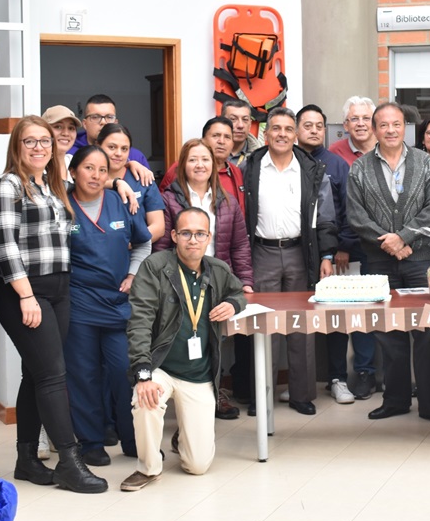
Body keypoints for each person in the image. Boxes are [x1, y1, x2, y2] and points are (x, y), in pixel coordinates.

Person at [0, 115, 107, 493]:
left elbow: (96, 179)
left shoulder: (53, 186)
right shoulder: (7, 187)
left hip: (60, 288)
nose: (39, 147)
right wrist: (26, 296)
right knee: (54, 374)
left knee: (37, 374)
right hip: (25, 291)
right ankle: (70, 461)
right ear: (17, 147)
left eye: (45, 141)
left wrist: (121, 179)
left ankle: (25, 459)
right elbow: (5, 247)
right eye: (30, 141)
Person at [120, 207, 247, 492]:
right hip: (161, 366)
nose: (193, 240)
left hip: (198, 373)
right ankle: (148, 468)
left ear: (208, 237)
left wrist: (234, 304)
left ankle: (183, 438)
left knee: (198, 466)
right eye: (186, 233)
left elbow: (238, 292)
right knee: (145, 400)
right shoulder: (155, 266)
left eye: (200, 234)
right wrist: (143, 374)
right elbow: (139, 321)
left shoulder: (218, 269)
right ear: (175, 236)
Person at [347, 103, 430, 424]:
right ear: (375, 129)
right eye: (384, 125)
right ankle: (394, 399)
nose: (391, 130)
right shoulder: (359, 168)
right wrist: (391, 243)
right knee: (387, 332)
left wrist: (403, 237)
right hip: (379, 262)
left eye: (397, 124)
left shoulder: (424, 164)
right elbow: (356, 216)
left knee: (428, 331)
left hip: (420, 261)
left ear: (405, 127)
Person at [243, 108, 338, 416]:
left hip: (302, 253)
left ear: (295, 134)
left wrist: (326, 255)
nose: (282, 134)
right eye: (276, 129)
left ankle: (301, 394)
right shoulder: (251, 165)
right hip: (262, 253)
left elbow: (325, 217)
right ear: (266, 134)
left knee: (301, 326)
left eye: (288, 129)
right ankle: (262, 394)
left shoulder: (311, 168)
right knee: (264, 325)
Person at [63, 146, 152, 466]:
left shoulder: (120, 201)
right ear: (73, 172)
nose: (96, 175)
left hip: (118, 304)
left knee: (122, 371)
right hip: (80, 304)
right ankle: (91, 442)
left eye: (103, 170)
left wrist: (133, 273)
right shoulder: (62, 205)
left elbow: (143, 241)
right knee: (83, 375)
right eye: (88, 168)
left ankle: (132, 438)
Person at [156, 138, 253, 419]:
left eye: (205, 160)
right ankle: (186, 405)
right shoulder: (170, 200)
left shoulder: (227, 201)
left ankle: (213, 395)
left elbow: (239, 245)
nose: (199, 165)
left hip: (216, 280)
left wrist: (244, 280)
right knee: (185, 337)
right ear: (182, 165)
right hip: (181, 281)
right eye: (193, 159)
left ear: (215, 165)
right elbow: (162, 245)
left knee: (215, 340)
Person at [296, 104, 370, 404]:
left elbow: (351, 210)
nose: (314, 131)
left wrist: (341, 246)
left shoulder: (337, 164)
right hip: (297, 255)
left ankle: (338, 378)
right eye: (307, 125)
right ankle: (305, 384)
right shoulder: (288, 161)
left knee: (340, 319)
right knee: (304, 319)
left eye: (319, 126)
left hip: (337, 257)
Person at [97, 123, 164, 242]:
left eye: (124, 149)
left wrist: (129, 244)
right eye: (112, 147)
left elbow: (158, 227)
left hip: (137, 253)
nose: (118, 153)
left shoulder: (142, 179)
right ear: (98, 146)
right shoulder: (90, 179)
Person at [70, 94, 150, 168]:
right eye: (95, 117)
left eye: (109, 117)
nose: (103, 122)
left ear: (116, 123)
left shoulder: (136, 157)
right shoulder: (70, 153)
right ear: (85, 124)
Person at [329, 96, 377, 164]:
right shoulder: (335, 152)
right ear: (346, 125)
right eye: (354, 119)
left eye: (366, 118)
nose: (360, 124)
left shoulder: (387, 147)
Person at [222, 99, 262, 166]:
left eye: (245, 120)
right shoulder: (207, 154)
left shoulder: (261, 158)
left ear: (250, 124)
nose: (240, 125)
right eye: (233, 119)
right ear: (222, 122)